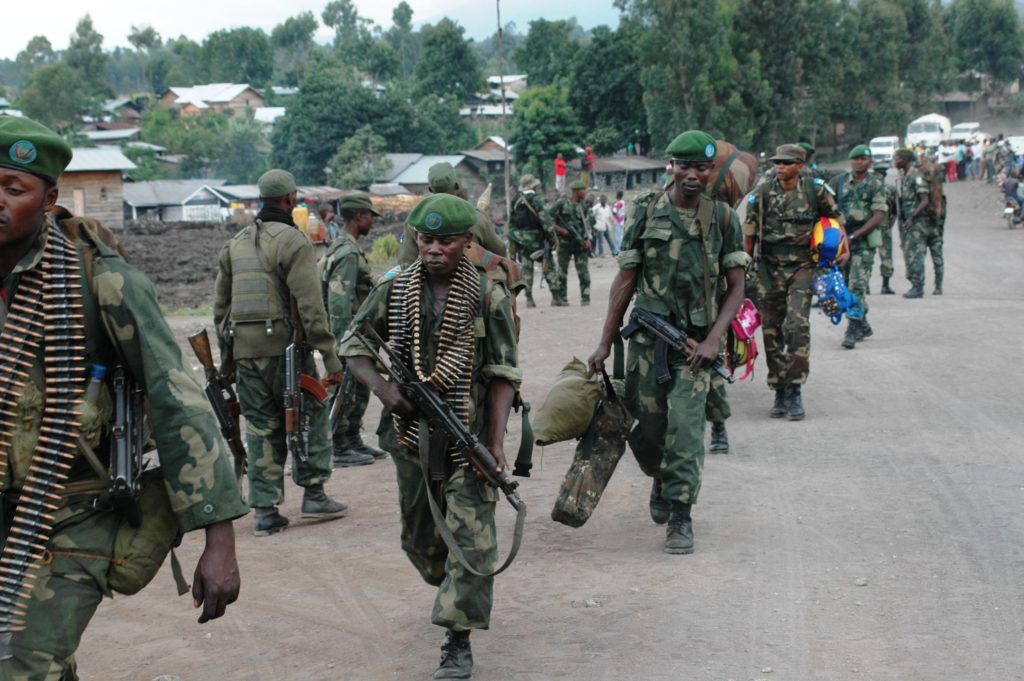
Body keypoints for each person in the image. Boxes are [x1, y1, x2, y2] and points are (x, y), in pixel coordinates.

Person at [0, 115, 248, 678]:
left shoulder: (100, 281)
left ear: (48, 198)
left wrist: (219, 536)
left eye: (13, 189)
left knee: (19, 664)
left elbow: (176, 401)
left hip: (72, 516)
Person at [341, 193, 521, 680]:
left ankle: (457, 637)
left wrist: (496, 444)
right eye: (426, 239)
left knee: (473, 539)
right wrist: (383, 390)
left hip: (469, 433)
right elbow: (353, 345)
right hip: (409, 436)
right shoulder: (394, 290)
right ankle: (451, 586)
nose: (434, 248)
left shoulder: (488, 294)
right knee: (422, 541)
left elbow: (504, 374)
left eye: (446, 240)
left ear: (468, 242)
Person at [588, 130, 748, 554]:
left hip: (696, 347)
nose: (693, 175)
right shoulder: (646, 211)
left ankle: (680, 514)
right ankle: (660, 476)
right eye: (685, 166)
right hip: (646, 340)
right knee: (649, 429)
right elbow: (625, 281)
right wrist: (605, 342)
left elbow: (737, 287)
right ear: (671, 166)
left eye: (702, 167)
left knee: (686, 429)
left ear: (711, 170)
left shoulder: (724, 219)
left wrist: (715, 338)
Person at [214, 169, 351, 536]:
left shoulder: (235, 243)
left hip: (244, 352)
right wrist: (331, 356)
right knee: (309, 414)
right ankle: (314, 493)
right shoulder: (293, 242)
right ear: (291, 199)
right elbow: (311, 306)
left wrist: (227, 361)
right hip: (287, 350)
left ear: (262, 199)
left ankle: (264, 510)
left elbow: (220, 310)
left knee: (260, 427)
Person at [743, 144, 845, 420]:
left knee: (797, 325)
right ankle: (779, 389)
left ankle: (795, 389)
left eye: (787, 163)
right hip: (768, 267)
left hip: (803, 266)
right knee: (771, 331)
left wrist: (841, 250)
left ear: (800, 165)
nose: (780, 167)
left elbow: (835, 220)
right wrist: (744, 268)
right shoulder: (762, 193)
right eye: (777, 162)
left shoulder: (816, 190)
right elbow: (749, 233)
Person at [319, 193, 386, 466]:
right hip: (349, 335)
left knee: (358, 390)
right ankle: (337, 444)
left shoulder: (351, 248)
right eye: (370, 215)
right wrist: (342, 346)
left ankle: (351, 439)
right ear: (359, 217)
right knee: (345, 390)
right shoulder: (347, 253)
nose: (372, 221)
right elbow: (338, 303)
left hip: (359, 335)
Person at [829, 145, 888, 349]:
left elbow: (879, 215)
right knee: (843, 286)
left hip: (863, 242)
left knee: (857, 286)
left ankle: (853, 329)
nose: (859, 162)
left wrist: (854, 236)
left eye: (864, 159)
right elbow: (826, 204)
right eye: (856, 159)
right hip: (841, 243)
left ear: (870, 162)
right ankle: (863, 323)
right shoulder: (839, 182)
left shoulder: (876, 184)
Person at [397, 163, 507, 264]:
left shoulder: (416, 219)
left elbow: (406, 261)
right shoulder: (478, 218)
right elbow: (501, 253)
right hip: (472, 283)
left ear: (430, 189)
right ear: (456, 186)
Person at [894, 148, 944, 298]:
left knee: (916, 254)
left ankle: (918, 287)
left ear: (905, 160)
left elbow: (924, 200)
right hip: (912, 221)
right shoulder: (905, 176)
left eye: (897, 158)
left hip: (918, 223)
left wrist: (912, 217)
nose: (895, 161)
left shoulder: (916, 176)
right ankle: (919, 285)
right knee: (913, 253)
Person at [507, 174, 559, 308]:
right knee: (549, 266)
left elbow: (512, 222)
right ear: (533, 185)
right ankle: (556, 297)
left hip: (522, 240)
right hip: (538, 239)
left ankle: (529, 299)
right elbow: (545, 219)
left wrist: (515, 239)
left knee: (527, 269)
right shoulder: (535, 199)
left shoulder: (515, 200)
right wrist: (552, 237)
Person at [550, 179, 594, 306]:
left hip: (580, 244)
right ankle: (562, 298)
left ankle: (585, 298)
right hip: (564, 244)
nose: (585, 193)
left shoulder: (583, 206)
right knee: (562, 272)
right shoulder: (562, 203)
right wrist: (560, 230)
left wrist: (588, 240)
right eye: (583, 190)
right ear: (576, 191)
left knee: (584, 272)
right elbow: (549, 219)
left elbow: (588, 225)